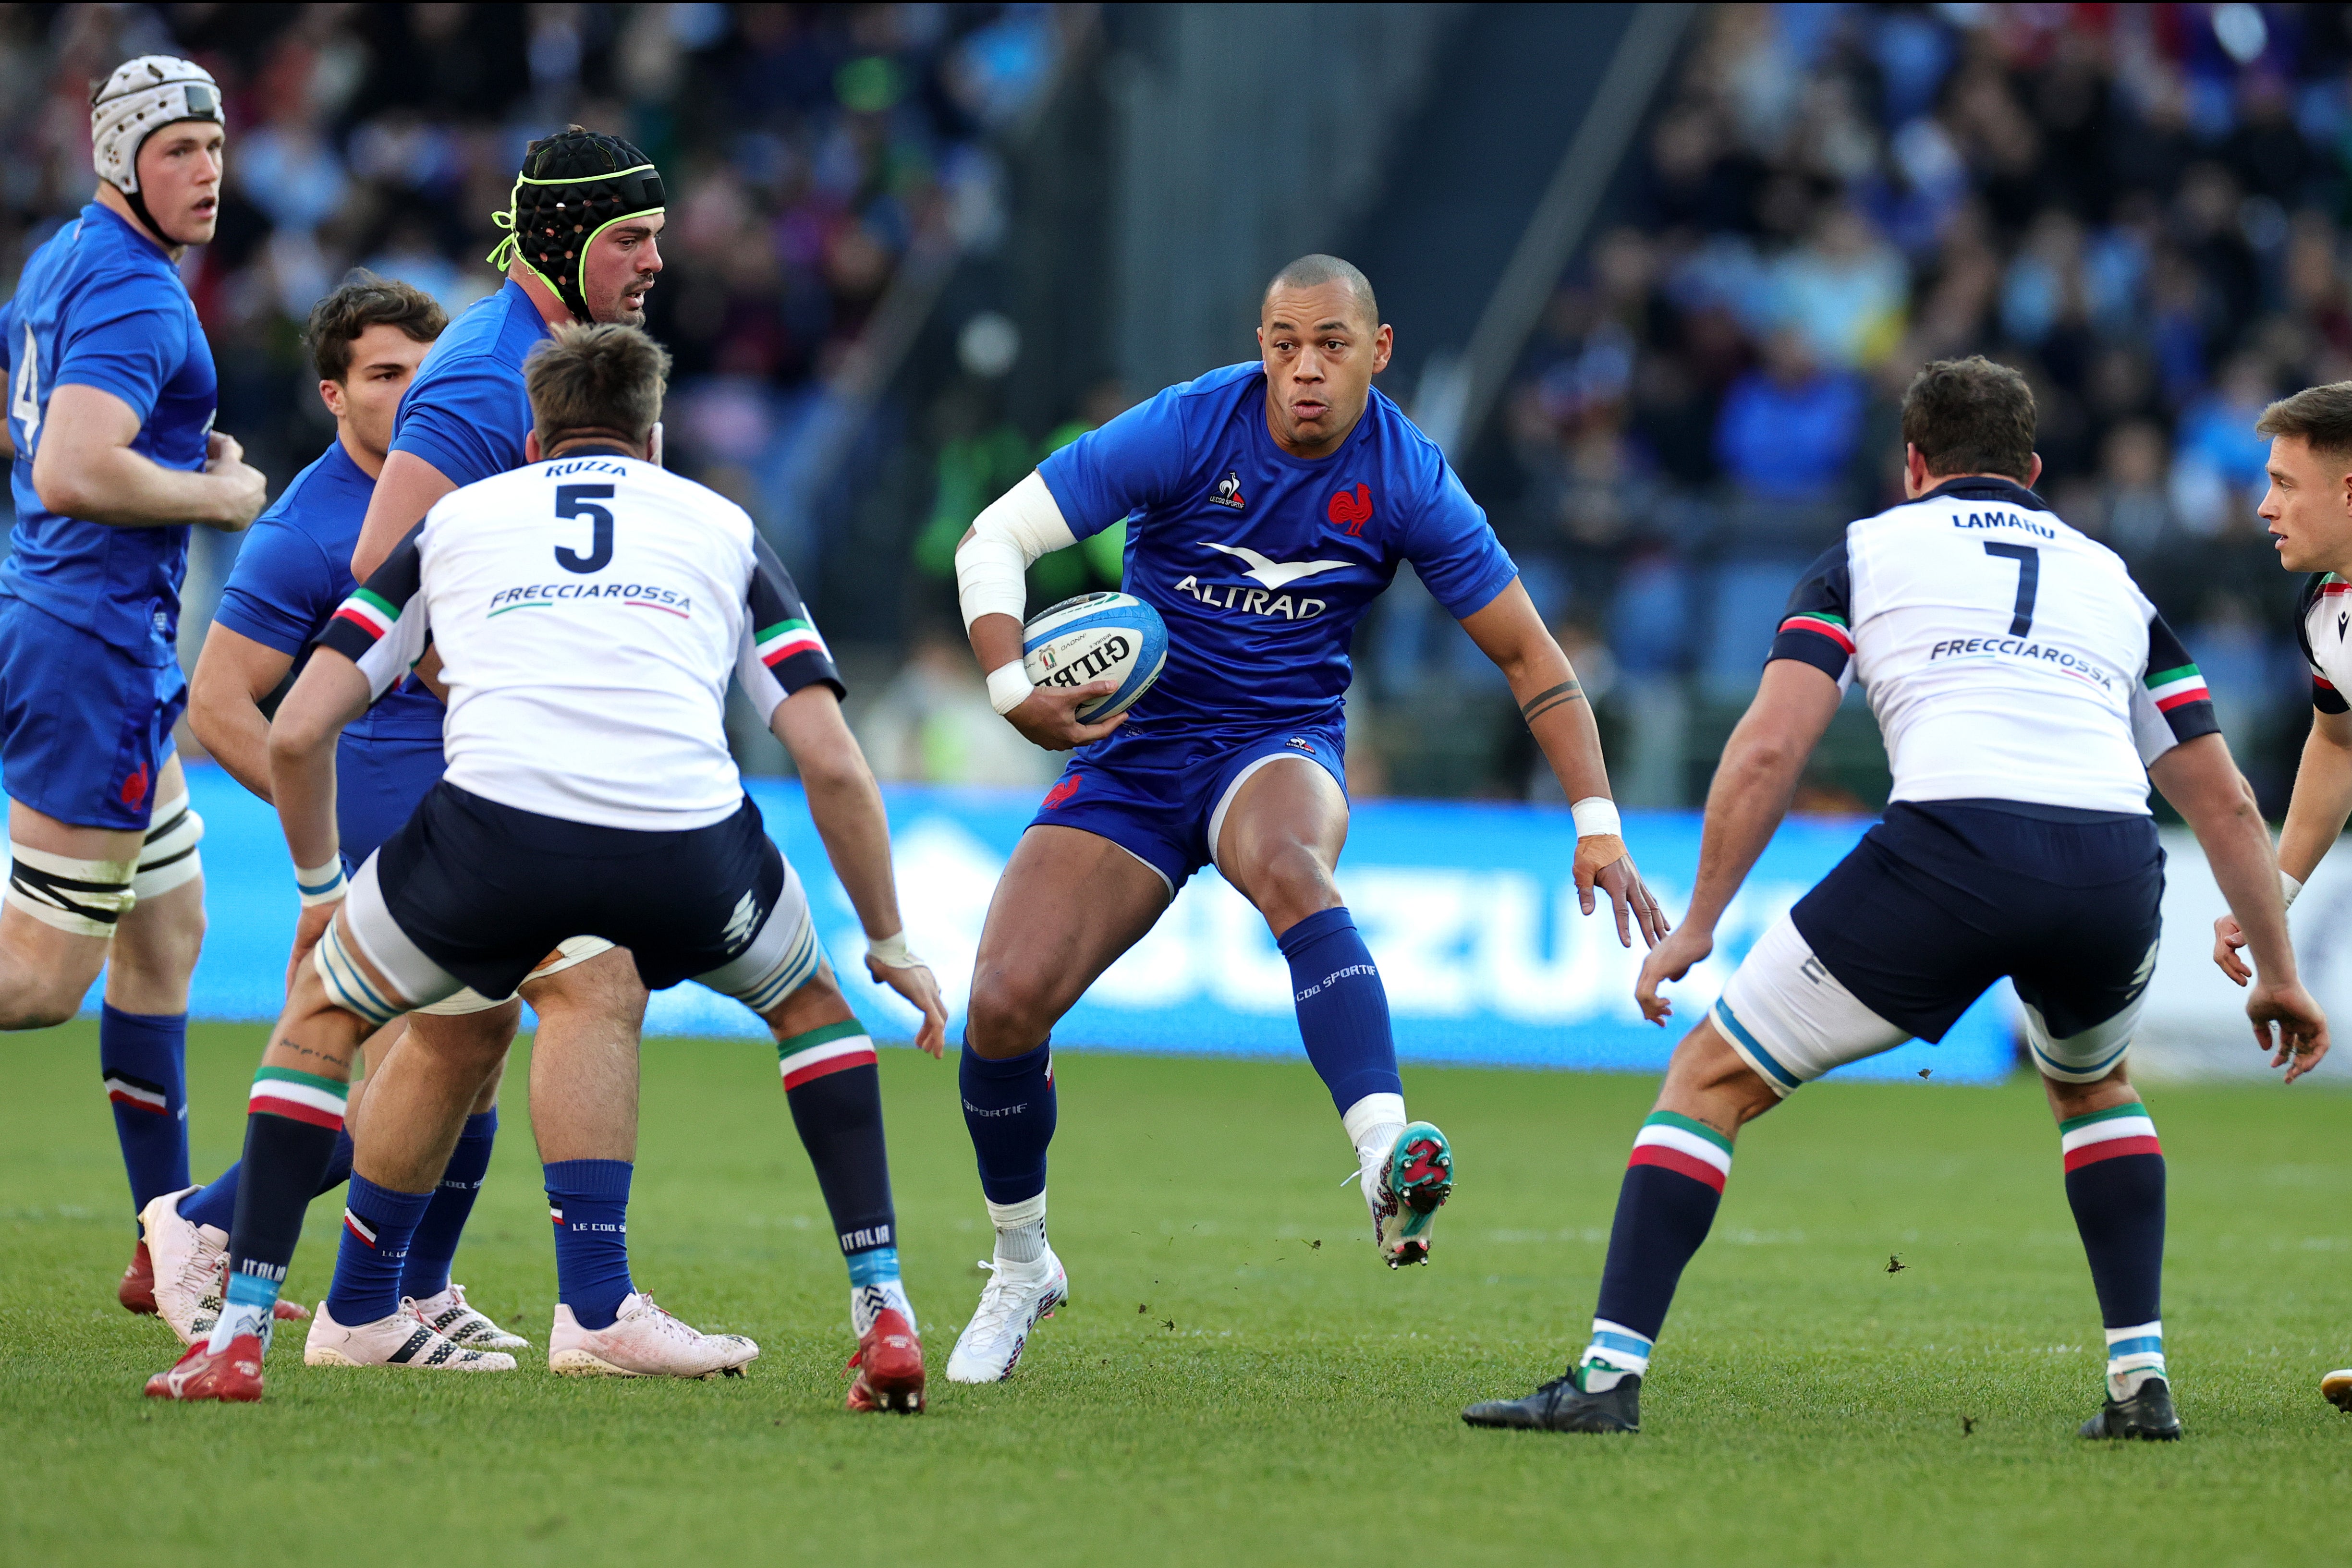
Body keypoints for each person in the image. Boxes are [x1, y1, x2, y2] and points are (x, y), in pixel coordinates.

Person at [1463, 356, 2329, 1441]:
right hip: (2110, 866)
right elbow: (2225, 804)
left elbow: (1773, 743)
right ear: (2035, 471)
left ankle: (1603, 1380)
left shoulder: (1869, 549)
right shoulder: (2113, 580)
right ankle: (2138, 1384)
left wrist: (1698, 921)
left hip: (1951, 850)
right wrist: (2280, 972)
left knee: (1708, 1078)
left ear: (1913, 464)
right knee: (2093, 1084)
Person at [147, 324, 947, 1409]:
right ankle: (884, 1309)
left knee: (321, 1023)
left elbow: (296, 733)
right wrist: (891, 943)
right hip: (688, 841)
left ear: (530, 439)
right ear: (655, 441)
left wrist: (322, 888)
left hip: (491, 840)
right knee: (815, 1012)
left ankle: (239, 1336)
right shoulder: (722, 525)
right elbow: (832, 764)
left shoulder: (454, 522)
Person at [942, 254, 1666, 1383]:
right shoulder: (1188, 424)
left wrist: (1597, 818)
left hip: (1279, 741)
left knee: (1289, 863)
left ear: (1377, 351)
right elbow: (993, 540)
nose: (1304, 370)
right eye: (1284, 344)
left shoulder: (1408, 476)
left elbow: (1531, 655)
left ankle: (1385, 1157)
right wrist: (1009, 687)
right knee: (998, 1006)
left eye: (1330, 345)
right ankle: (1021, 1261)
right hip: (1136, 753)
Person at [334, 124, 685, 1367]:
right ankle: (590, 1310)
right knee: (587, 986)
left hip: (498, 754)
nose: (655, 258)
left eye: (655, 234)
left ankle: (374, 1295)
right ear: (565, 238)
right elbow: (391, 572)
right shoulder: (487, 377)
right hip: (434, 751)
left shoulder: (571, 364)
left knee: (467, 1036)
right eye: (631, 237)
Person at [135, 276, 531, 1366]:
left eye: (425, 372)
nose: (410, 394)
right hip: (387, 820)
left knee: (471, 1049)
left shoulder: (461, 482)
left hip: (465, 802)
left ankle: (418, 1286)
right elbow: (218, 705)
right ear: (332, 391)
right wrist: (333, 838)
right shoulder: (309, 530)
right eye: (384, 374)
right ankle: (211, 1220)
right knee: (439, 1050)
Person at [0, 57, 266, 1315]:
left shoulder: (63, 260)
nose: (206, 171)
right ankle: (173, 1240)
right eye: (176, 150)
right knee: (39, 983)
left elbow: (29, 431)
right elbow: (69, 467)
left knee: (168, 933)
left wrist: (150, 454)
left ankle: (168, 1243)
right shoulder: (135, 295)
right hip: (91, 644)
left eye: (215, 147)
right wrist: (214, 492)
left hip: (91, 632)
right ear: (119, 159)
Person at [2224, 383, 2352, 1414]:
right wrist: (2273, 888)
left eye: (2282, 481)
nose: (2263, 505)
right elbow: (2337, 740)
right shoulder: (2328, 614)